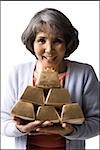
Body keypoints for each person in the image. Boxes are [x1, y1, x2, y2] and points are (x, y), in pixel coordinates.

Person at [1, 8, 99, 150]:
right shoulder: (17, 73)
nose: (49, 49)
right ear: (32, 42)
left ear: (67, 44)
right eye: (42, 40)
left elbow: (97, 122)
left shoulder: (85, 73)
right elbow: (2, 121)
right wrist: (20, 128)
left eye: (57, 41)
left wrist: (72, 131)